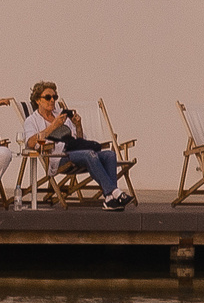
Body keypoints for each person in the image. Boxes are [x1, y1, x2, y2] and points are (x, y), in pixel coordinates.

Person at [23, 81, 127, 210]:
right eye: (48, 97)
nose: (52, 100)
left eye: (54, 97)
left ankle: (110, 198)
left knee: (110, 154)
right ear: (38, 100)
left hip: (76, 152)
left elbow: (79, 140)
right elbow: (31, 143)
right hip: (59, 157)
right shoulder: (32, 120)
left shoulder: (61, 115)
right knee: (90, 154)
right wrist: (54, 126)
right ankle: (115, 192)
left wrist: (78, 125)